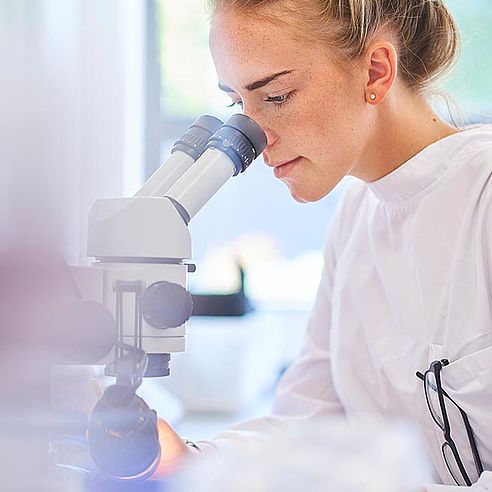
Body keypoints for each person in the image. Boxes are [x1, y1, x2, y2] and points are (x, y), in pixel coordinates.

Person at [152, 0, 492, 489]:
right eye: (237, 104)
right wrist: (186, 460)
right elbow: (311, 424)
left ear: (376, 71)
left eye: (277, 96)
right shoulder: (357, 216)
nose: (256, 139)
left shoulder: (481, 197)